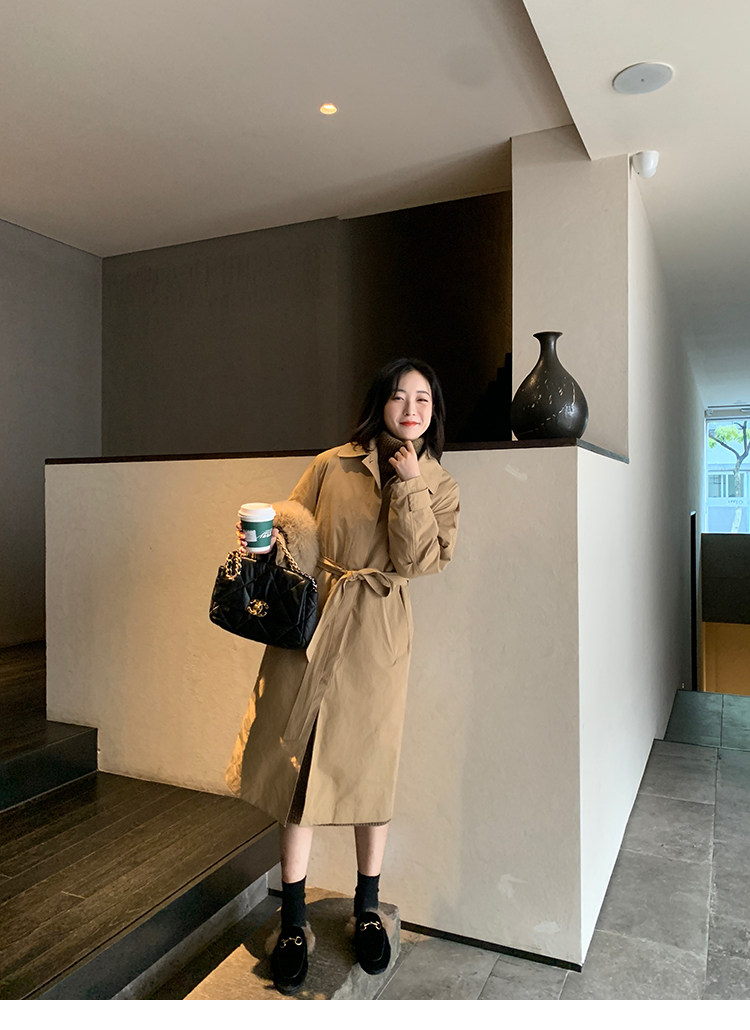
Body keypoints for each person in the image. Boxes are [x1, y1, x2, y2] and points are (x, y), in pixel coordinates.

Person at [224, 357, 460, 995]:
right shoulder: (333, 464)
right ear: (380, 402)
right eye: (400, 396)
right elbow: (294, 529)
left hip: (378, 634)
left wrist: (410, 484)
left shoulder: (439, 483)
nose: (411, 409)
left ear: (434, 413)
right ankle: (293, 917)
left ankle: (367, 909)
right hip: (314, 624)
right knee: (297, 767)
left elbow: (418, 560)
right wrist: (262, 542)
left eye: (423, 400)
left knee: (369, 771)